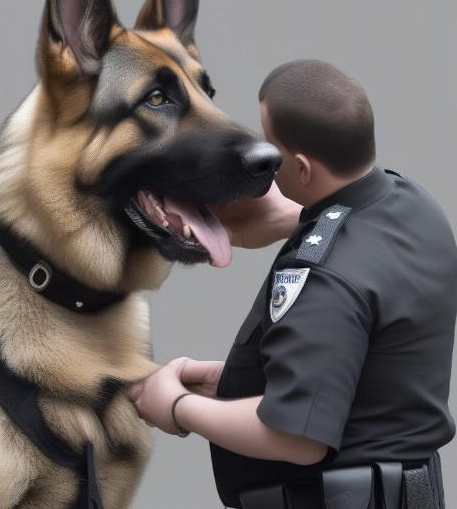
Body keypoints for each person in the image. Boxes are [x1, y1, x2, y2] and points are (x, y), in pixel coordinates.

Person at [125, 59, 457, 509]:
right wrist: (238, 380)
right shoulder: (416, 207)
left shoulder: (323, 278)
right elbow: (361, 366)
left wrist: (179, 407)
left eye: (272, 150)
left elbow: (296, 438)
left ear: (301, 168)